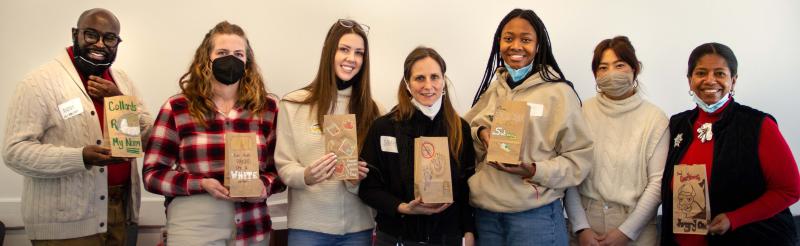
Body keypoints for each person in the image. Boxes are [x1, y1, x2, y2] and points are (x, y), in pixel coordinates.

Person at [2, 8, 153, 245]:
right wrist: (80, 157)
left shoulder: (122, 80)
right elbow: (15, 152)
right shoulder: (39, 83)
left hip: (119, 213)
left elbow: (150, 139)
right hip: (66, 225)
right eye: (92, 35)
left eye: (110, 38)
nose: (101, 44)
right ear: (76, 34)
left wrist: (120, 100)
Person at [142, 21, 284, 246]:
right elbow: (152, 174)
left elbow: (279, 170)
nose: (231, 59)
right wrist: (201, 183)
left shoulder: (267, 108)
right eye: (222, 52)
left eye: (238, 54)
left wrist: (263, 186)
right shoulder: (178, 107)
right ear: (206, 58)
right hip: (194, 225)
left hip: (251, 226)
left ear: (247, 62)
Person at [464, 8, 594, 246]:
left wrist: (534, 170)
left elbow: (579, 159)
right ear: (499, 43)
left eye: (525, 39)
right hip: (486, 215)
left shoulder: (559, 93)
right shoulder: (494, 89)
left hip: (535, 218)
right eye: (508, 38)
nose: (515, 46)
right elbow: (467, 127)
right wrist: (481, 133)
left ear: (538, 45)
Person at [660, 42, 800, 245]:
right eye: (701, 73)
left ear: (733, 81)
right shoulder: (677, 124)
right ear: (690, 80)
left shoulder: (758, 125)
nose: (710, 80)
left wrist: (734, 219)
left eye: (720, 73)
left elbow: (790, 190)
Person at [274, 19, 383, 245]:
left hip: (358, 229)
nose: (351, 59)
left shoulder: (375, 111)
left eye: (359, 53)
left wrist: (356, 180)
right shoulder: (294, 104)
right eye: (344, 49)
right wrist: (306, 176)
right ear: (329, 52)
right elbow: (284, 165)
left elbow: (380, 176)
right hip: (307, 229)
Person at [359, 47, 476, 246]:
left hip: (448, 238)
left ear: (443, 81)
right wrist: (403, 207)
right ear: (407, 83)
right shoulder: (384, 127)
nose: (428, 86)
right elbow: (368, 189)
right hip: (395, 237)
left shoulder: (460, 128)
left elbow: (467, 188)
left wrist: (469, 230)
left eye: (434, 77)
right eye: (419, 78)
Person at [564, 36, 667, 246]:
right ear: (595, 74)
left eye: (619, 65)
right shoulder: (581, 112)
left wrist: (626, 232)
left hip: (636, 230)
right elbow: (569, 174)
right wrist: (581, 228)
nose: (611, 73)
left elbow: (657, 184)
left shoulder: (655, 119)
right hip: (585, 225)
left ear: (635, 68)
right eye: (603, 67)